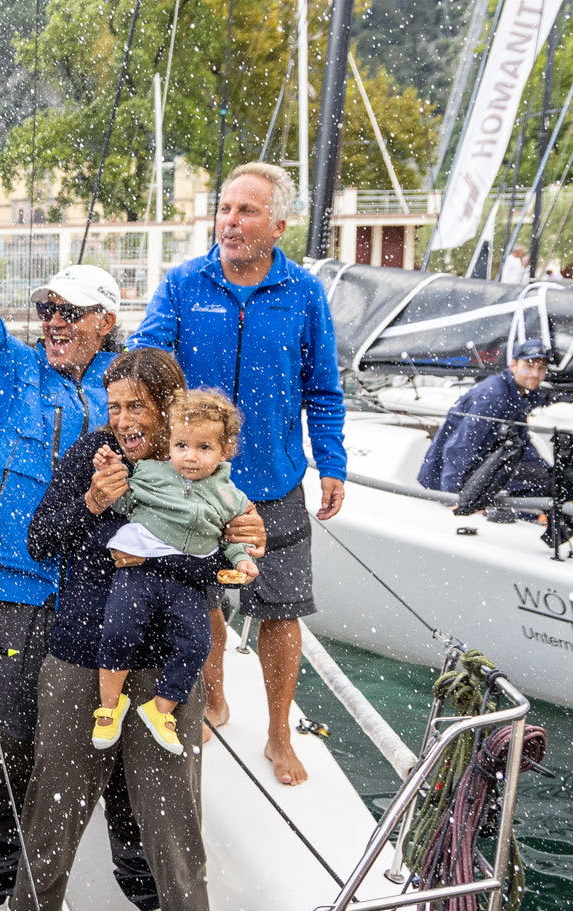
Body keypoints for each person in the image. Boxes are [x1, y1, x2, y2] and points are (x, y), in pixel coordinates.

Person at [0, 145, 226, 911]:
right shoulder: (15, 375)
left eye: (69, 310)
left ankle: (151, 909)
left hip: (113, 604)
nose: (52, 321)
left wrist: (244, 531)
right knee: (6, 750)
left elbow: (201, 468)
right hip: (22, 600)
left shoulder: (137, 392)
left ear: (106, 319)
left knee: (133, 770)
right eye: (45, 307)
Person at [3, 348, 245, 911]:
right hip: (81, 661)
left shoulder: (197, 465)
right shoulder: (92, 457)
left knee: (173, 824)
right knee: (50, 813)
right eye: (114, 407)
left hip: (165, 676)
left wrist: (224, 546)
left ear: (169, 407)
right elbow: (39, 541)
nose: (124, 422)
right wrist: (91, 505)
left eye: (137, 406)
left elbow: (223, 570)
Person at [131, 161, 346, 787]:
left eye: (247, 211)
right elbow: (146, 364)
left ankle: (280, 732)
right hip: (192, 482)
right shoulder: (182, 284)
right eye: (225, 209)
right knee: (197, 603)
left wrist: (330, 462)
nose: (231, 221)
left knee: (281, 613)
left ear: (278, 225)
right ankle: (214, 698)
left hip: (274, 483)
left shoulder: (303, 293)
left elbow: (323, 389)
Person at [92, 390, 258, 755]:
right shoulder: (151, 472)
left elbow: (231, 538)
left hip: (187, 583)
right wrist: (108, 474)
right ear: (169, 443)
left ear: (224, 450)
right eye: (181, 445)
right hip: (138, 570)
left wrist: (243, 560)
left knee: (198, 644)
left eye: (203, 448)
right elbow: (125, 503)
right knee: (119, 629)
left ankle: (162, 708)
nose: (190, 456)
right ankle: (108, 705)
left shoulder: (229, 495)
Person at [417, 338, 551, 496]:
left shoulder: (518, 394)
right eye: (528, 366)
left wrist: (548, 471)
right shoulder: (494, 395)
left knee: (547, 480)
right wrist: (451, 496)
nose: (535, 374)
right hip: (448, 479)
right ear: (513, 365)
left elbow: (522, 443)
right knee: (536, 485)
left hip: (482, 465)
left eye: (541, 368)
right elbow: (458, 448)